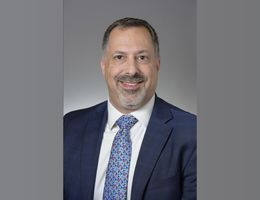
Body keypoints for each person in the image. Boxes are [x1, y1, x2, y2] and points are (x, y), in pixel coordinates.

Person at [64, 17, 196, 200]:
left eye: (142, 57)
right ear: (104, 66)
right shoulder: (69, 128)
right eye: (119, 57)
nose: (132, 70)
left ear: (157, 64)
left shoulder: (193, 133)